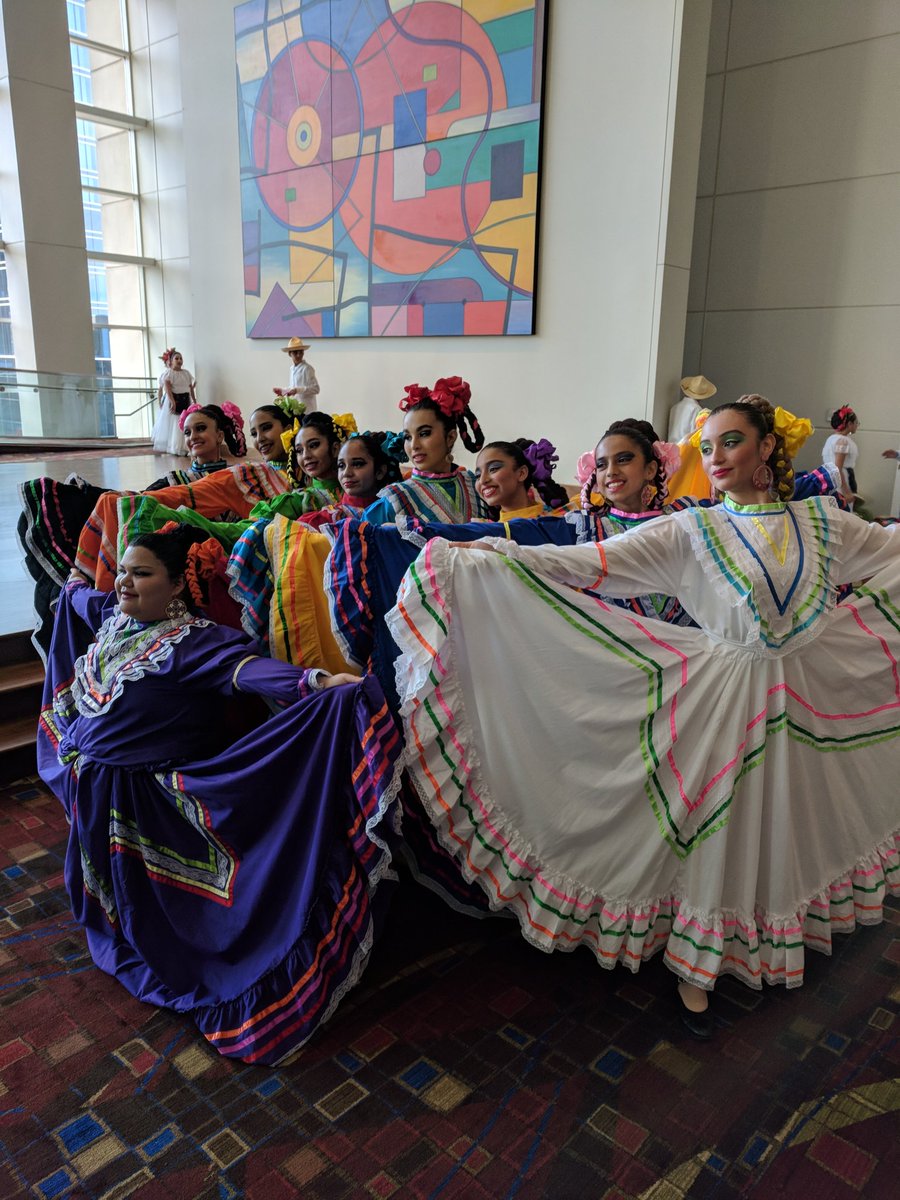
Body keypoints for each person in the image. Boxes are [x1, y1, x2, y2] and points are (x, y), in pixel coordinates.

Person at [387, 397, 900, 1040]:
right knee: (721, 823)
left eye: (730, 442)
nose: (714, 459)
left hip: (802, 692)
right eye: (706, 448)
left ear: (768, 448)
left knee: (784, 814)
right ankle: (701, 956)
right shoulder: (693, 531)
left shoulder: (825, 525)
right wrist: (487, 553)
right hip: (722, 697)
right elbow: (592, 567)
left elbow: (889, 551)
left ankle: (769, 935)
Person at [40, 527, 401, 1065]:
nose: (124, 584)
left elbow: (250, 673)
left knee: (162, 915)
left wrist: (317, 685)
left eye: (141, 574)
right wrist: (73, 585)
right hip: (96, 791)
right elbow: (87, 601)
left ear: (177, 589)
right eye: (123, 570)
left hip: (142, 803)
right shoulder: (117, 619)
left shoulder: (192, 642)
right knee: (111, 901)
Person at [362, 377, 490, 525]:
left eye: (424, 434)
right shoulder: (397, 499)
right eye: (408, 437)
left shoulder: (475, 485)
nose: (414, 445)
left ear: (450, 437)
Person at [475, 439, 572, 520]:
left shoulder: (564, 519)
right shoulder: (483, 532)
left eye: (493, 469)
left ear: (522, 473)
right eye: (478, 475)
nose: (482, 480)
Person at [151, 349, 197, 455]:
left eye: (181, 358)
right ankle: (175, 447)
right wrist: (172, 401)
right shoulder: (169, 373)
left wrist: (194, 401)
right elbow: (167, 388)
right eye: (176, 358)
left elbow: (190, 389)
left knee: (185, 421)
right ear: (171, 361)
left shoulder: (186, 373)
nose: (179, 360)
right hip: (175, 399)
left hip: (186, 400)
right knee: (176, 423)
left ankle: (185, 446)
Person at [823, 406, 860, 507]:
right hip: (842, 481)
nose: (857, 425)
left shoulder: (830, 439)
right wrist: (846, 491)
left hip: (829, 479)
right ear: (849, 424)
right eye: (856, 423)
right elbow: (838, 467)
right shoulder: (843, 441)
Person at [667, 374, 717, 442]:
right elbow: (694, 435)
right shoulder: (697, 409)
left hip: (671, 448)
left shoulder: (674, 407)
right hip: (685, 448)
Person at [274, 337, 319, 411]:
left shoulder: (307, 369)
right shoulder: (292, 368)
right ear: (289, 354)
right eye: (295, 352)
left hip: (307, 409)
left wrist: (297, 390)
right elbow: (293, 387)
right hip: (296, 409)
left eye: (300, 352)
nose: (298, 355)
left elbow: (316, 389)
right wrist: (283, 391)